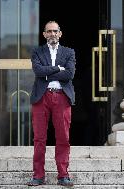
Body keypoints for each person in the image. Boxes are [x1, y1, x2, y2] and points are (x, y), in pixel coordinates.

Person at [27, 21, 76, 187]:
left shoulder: (69, 52)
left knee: (63, 137)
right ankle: (38, 176)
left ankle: (63, 175)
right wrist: (57, 69)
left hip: (62, 97)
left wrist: (48, 72)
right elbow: (38, 71)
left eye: (55, 31)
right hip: (42, 98)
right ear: (44, 34)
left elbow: (69, 74)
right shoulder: (37, 51)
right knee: (39, 138)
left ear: (60, 33)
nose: (52, 34)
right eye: (49, 31)